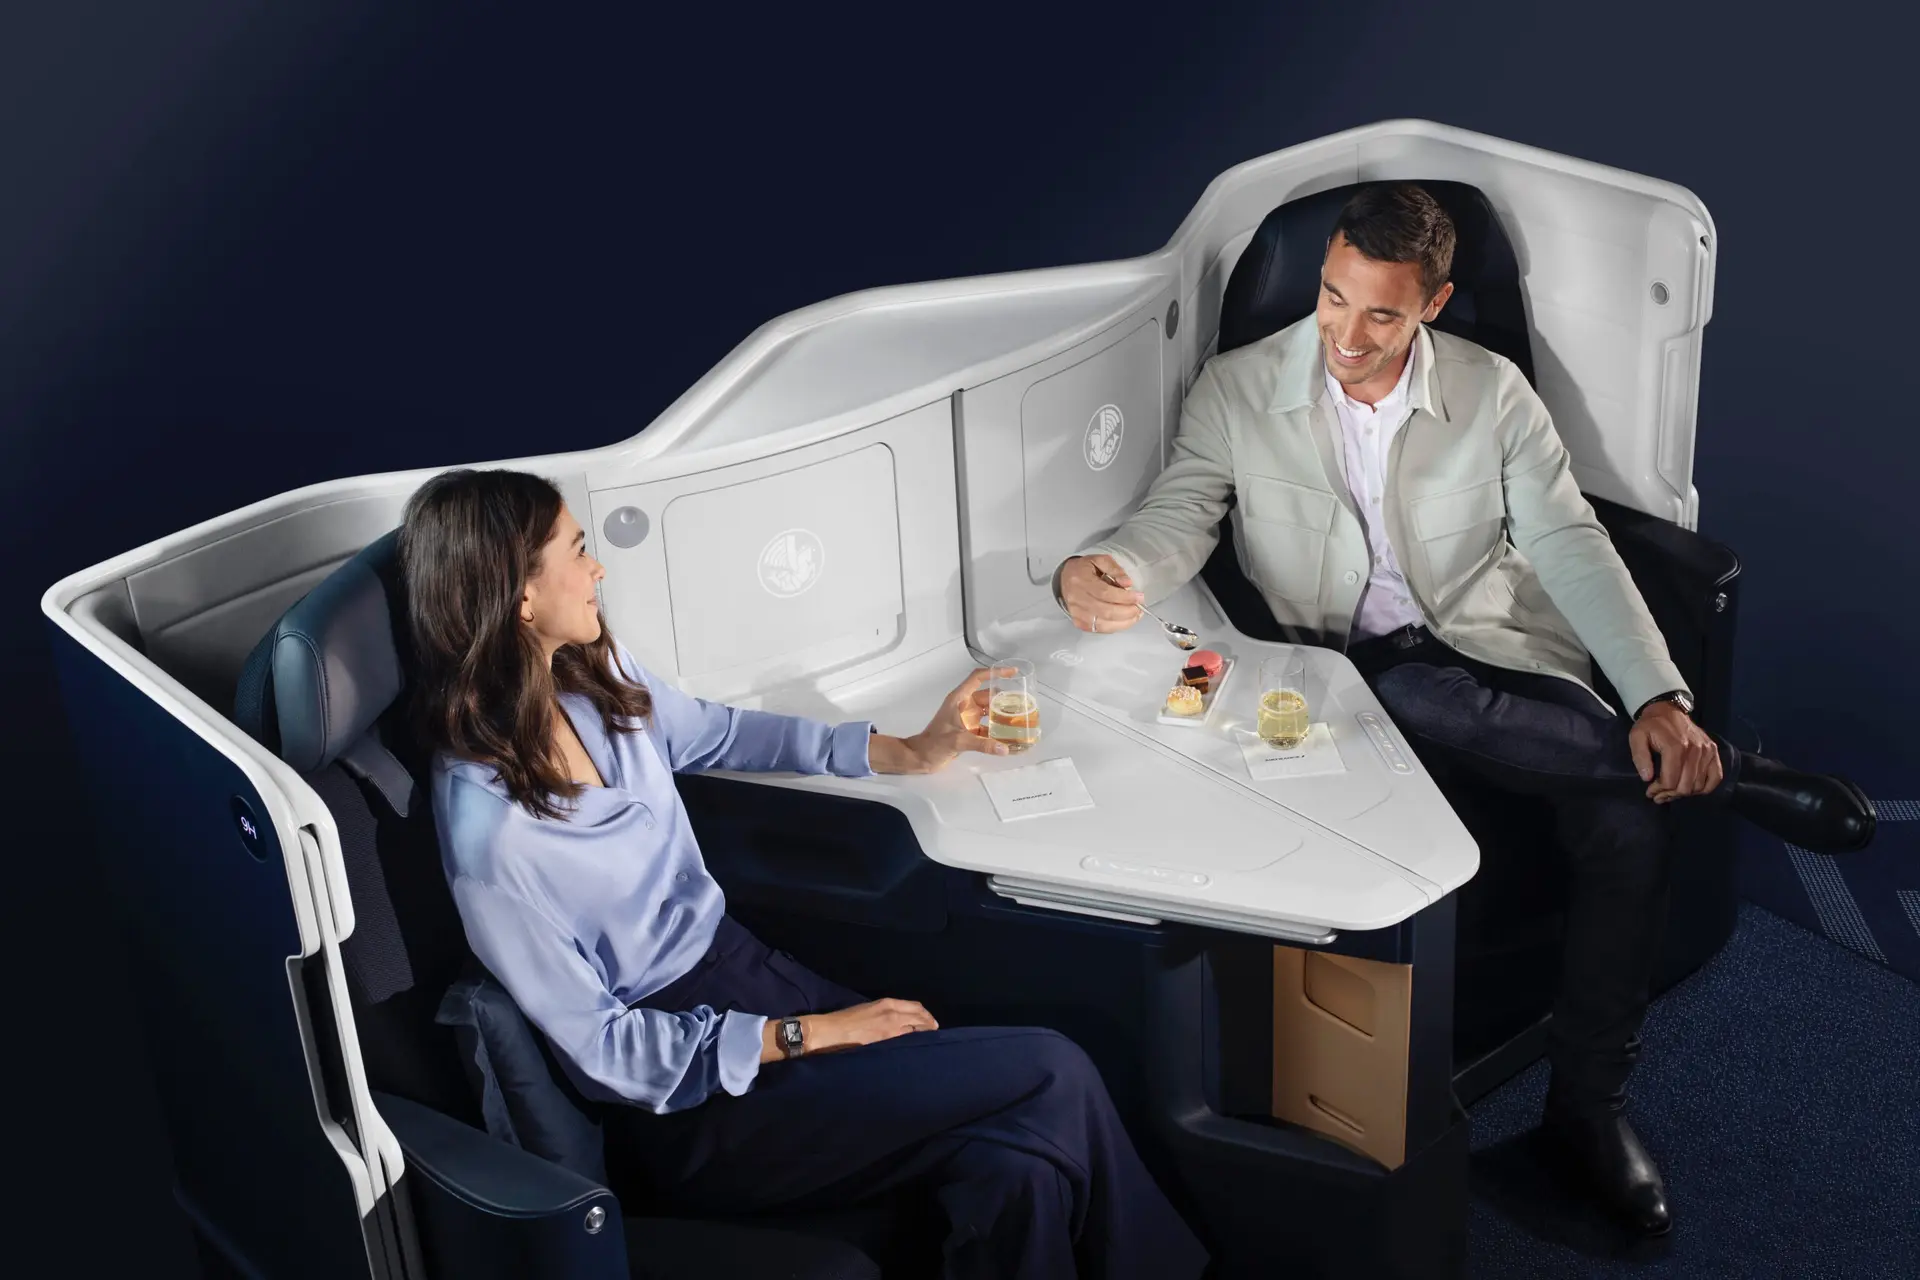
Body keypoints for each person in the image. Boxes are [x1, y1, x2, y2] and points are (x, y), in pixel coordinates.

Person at [1054, 183, 1876, 1238]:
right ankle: (1741, 777)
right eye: (1332, 298)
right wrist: (1113, 561)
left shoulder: (1492, 394)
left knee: (1626, 820)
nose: (1346, 335)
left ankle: (1586, 1112)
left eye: (1381, 313)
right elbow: (1185, 509)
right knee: (1411, 688)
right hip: (1353, 674)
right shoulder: (1239, 385)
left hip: (1497, 647)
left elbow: (1571, 545)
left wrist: (1658, 694)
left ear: (1435, 302)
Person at [397, 467, 1208, 1280]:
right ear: (520, 597)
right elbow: (607, 1052)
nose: (598, 567)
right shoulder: (492, 838)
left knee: (1015, 1165)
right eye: (576, 550)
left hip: (753, 974)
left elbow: (718, 733)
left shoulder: (587, 684)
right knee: (1051, 1066)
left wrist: (903, 750)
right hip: (702, 1105)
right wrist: (811, 1034)